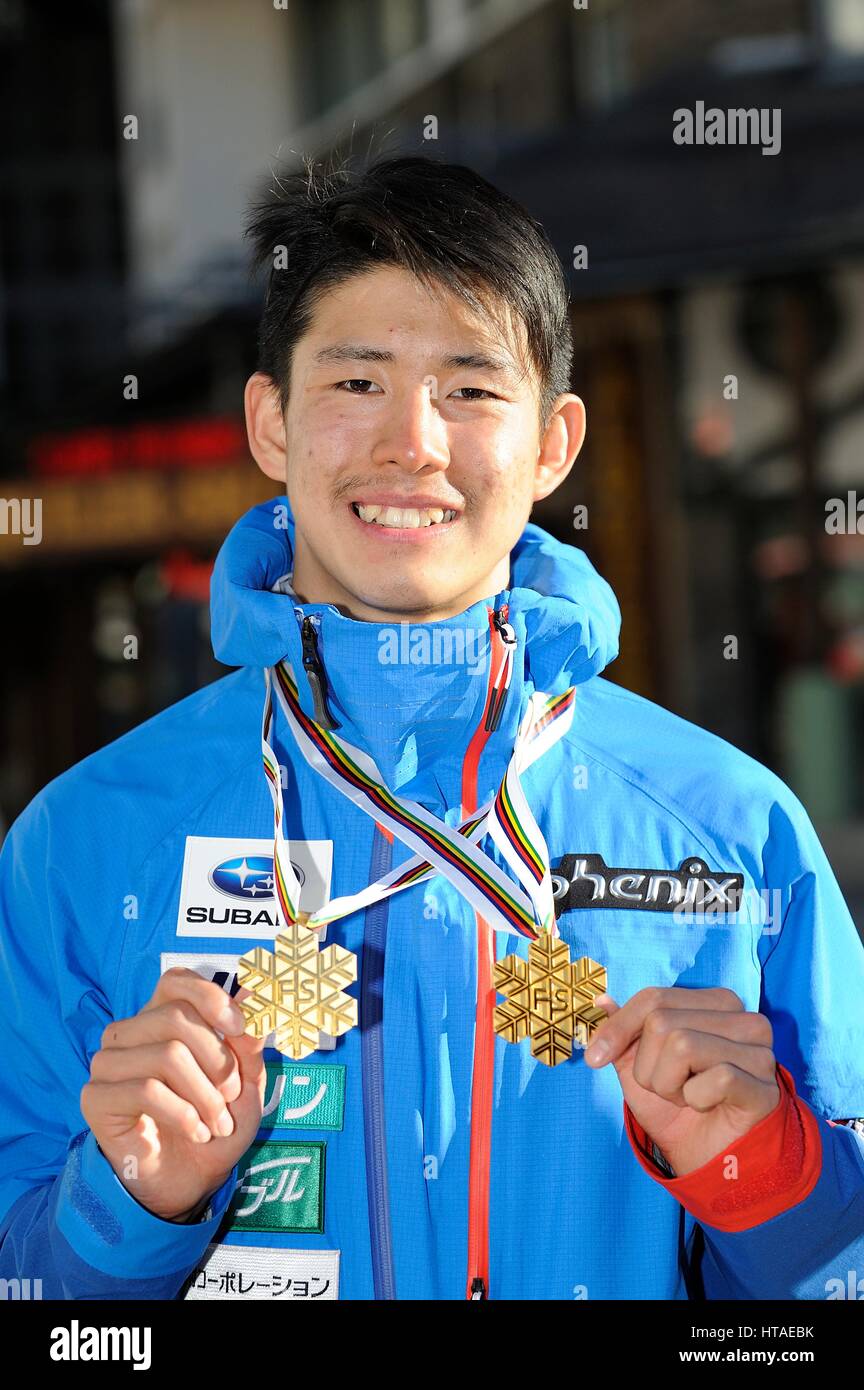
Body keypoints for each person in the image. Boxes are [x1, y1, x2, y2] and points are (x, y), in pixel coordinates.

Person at [1, 153, 862, 1302]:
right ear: (271, 421)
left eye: (470, 387)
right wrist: (127, 1205)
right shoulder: (85, 841)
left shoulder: (732, 828)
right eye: (356, 383)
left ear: (554, 444)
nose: (412, 442)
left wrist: (764, 1171)